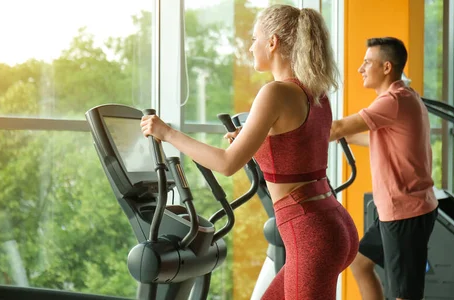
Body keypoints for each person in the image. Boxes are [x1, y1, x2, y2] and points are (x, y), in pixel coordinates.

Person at [141, 4, 358, 299]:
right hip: (332, 221)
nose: (250, 46)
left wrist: (167, 133)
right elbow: (297, 149)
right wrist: (255, 142)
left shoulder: (275, 92)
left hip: (309, 232)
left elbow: (228, 164)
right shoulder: (314, 91)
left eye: (254, 38)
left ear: (273, 42)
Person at [329, 37, 438, 300]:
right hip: (398, 209)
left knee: (404, 294)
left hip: (404, 212)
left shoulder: (393, 100)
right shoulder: (406, 96)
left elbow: (338, 128)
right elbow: (371, 139)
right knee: (360, 262)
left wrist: (274, 129)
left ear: (387, 67)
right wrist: (334, 136)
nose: (360, 68)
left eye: (367, 62)